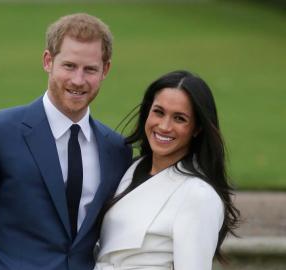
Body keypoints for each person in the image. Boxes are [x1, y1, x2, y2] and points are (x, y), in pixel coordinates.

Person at [0, 13, 132, 270]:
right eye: (69, 66)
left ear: (105, 70)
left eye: (90, 69)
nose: (78, 80)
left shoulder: (116, 149)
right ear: (48, 61)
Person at [94, 70, 240, 270]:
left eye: (179, 118)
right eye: (159, 112)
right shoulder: (131, 169)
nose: (164, 126)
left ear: (197, 129)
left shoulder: (198, 195)